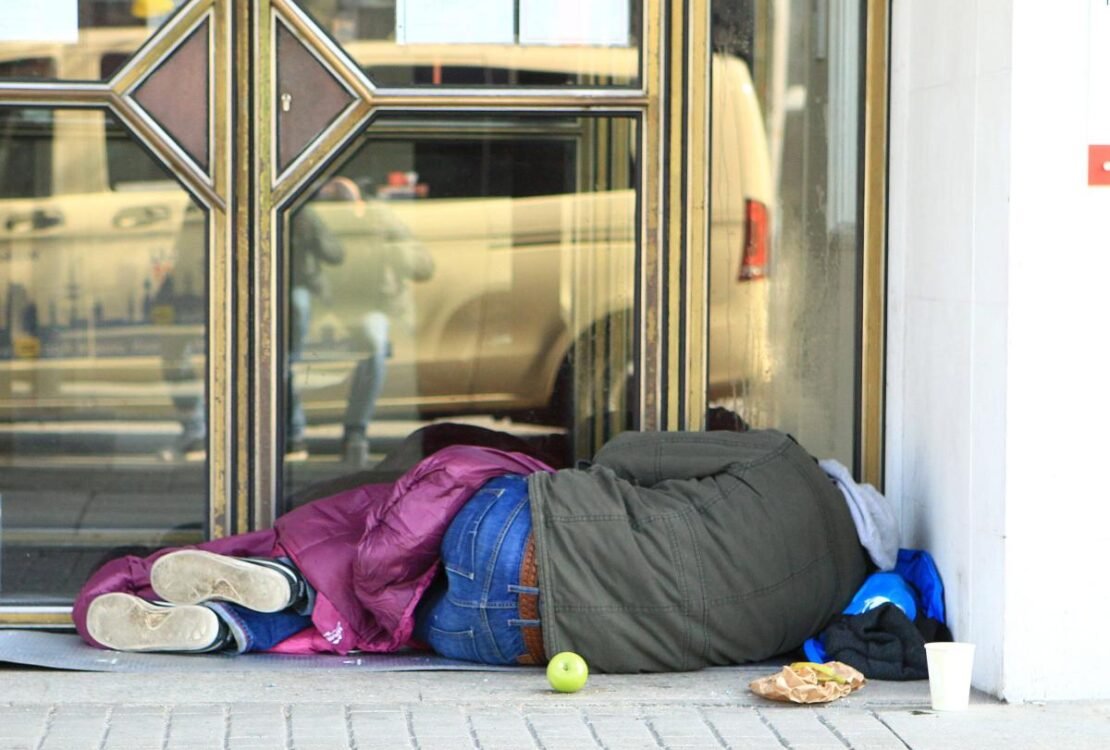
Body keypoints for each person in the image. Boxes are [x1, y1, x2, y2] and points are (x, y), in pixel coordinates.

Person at [75, 429, 879, 672]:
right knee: (407, 611)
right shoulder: (825, 605)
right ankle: (232, 628)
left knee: (401, 522)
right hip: (514, 641)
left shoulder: (784, 462)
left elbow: (628, 455)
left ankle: (282, 578)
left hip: (515, 538)